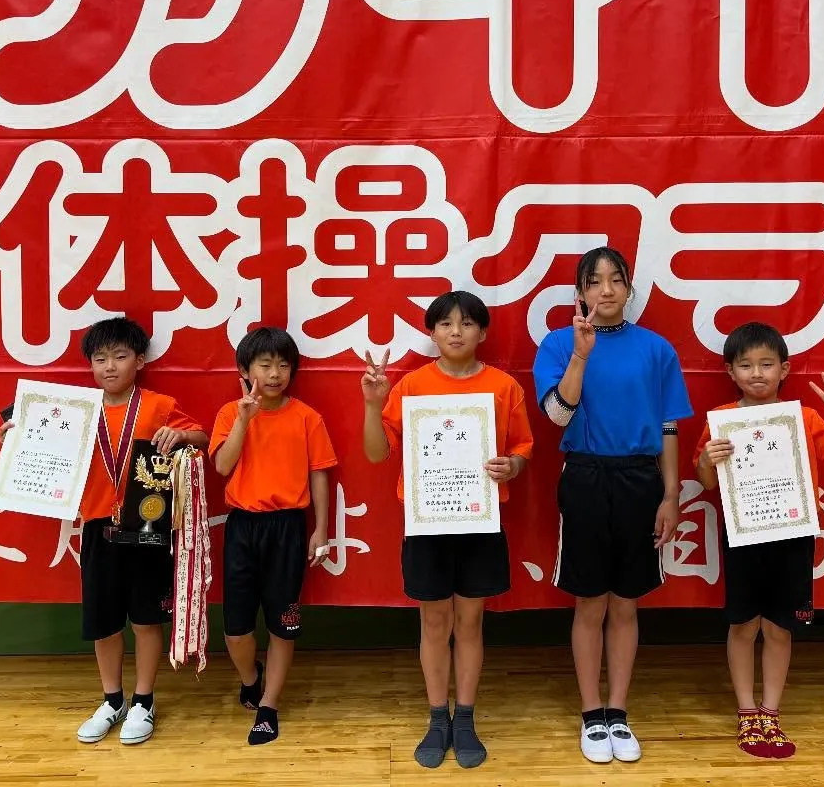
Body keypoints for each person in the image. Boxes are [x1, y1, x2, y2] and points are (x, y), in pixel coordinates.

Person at [0, 316, 208, 745]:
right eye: (100, 358)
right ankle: (113, 700)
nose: (110, 366)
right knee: (103, 623)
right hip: (97, 526)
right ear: (90, 364)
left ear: (140, 360)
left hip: (146, 528)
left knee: (146, 620)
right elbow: (39, 447)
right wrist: (15, 442)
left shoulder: (159, 405)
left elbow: (202, 437)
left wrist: (180, 435)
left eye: (120, 356)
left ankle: (144, 700)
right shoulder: (76, 411)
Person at [361, 290, 534, 769]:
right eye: (445, 324)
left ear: (483, 331)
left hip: (479, 519)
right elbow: (377, 454)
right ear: (432, 333)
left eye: (466, 323)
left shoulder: (503, 387)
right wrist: (374, 405)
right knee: (434, 622)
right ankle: (438, 717)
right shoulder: (411, 386)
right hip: (428, 521)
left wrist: (512, 467)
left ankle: (466, 718)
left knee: (471, 621)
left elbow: (522, 448)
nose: (456, 331)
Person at [532, 246, 691, 764]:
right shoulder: (559, 344)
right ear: (580, 291)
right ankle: (591, 714)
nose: (606, 289)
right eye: (595, 280)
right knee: (590, 601)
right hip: (585, 476)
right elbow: (557, 415)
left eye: (616, 279)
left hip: (640, 480)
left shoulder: (656, 349)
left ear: (628, 288)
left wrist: (670, 495)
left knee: (625, 602)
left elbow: (668, 427)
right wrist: (581, 355)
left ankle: (618, 712)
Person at [694, 321, 824, 759]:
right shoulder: (721, 421)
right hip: (744, 536)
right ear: (731, 371)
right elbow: (706, 480)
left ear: (784, 369)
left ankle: (770, 712)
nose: (757, 373)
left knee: (779, 627)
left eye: (767, 364)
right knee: (743, 625)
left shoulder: (803, 419)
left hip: (791, 537)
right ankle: (746, 711)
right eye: (746, 365)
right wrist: (709, 459)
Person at [210, 326, 336, 745]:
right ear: (245, 370)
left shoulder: (307, 417)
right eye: (265, 365)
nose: (275, 374)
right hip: (243, 526)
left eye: (284, 365)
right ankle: (251, 679)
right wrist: (244, 420)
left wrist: (320, 529)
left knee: (284, 625)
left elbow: (320, 474)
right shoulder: (230, 414)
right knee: (236, 630)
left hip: (288, 528)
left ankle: (269, 705)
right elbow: (222, 467)